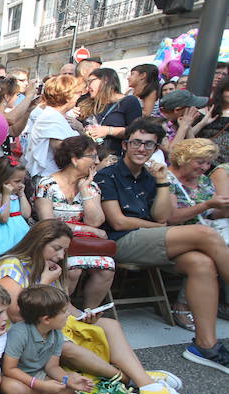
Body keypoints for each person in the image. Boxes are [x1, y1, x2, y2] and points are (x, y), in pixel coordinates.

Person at [0, 219, 215, 394]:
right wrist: (45, 282)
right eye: (56, 248)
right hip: (17, 333)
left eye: (64, 250)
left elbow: (64, 307)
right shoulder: (12, 265)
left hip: (45, 326)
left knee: (108, 324)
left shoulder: (50, 267)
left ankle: (143, 382)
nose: (60, 255)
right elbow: (16, 313)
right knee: (65, 346)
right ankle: (138, 381)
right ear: (39, 243)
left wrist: (83, 316)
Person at [96, 119, 229, 372]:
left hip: (152, 239)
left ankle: (205, 345)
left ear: (155, 147)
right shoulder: (108, 174)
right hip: (121, 241)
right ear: (125, 145)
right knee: (205, 234)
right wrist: (164, 229)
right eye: (136, 142)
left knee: (202, 263)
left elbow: (161, 217)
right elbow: (119, 221)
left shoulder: (152, 175)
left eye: (148, 144)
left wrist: (162, 182)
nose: (141, 149)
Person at [35, 136, 114, 308]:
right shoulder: (47, 185)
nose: (97, 161)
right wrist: (89, 230)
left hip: (82, 243)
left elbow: (95, 221)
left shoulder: (91, 186)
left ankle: (89, 313)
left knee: (107, 267)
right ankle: (60, 310)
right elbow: (48, 222)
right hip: (54, 240)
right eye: (92, 157)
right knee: (73, 268)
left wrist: (85, 190)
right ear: (75, 159)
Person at [1, 285, 94, 394]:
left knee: (74, 382)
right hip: (16, 377)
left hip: (40, 375)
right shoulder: (19, 333)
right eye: (63, 311)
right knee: (12, 388)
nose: (68, 314)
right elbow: (9, 369)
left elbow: (52, 367)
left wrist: (68, 380)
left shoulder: (56, 333)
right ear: (46, 319)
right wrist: (40, 385)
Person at [165, 138, 229, 329]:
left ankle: (221, 304)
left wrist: (222, 208)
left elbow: (212, 214)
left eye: (208, 163)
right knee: (206, 252)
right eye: (200, 161)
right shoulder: (166, 179)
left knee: (211, 245)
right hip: (174, 234)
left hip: (204, 232)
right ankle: (183, 306)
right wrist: (207, 204)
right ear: (184, 158)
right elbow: (172, 217)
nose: (204, 167)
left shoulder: (202, 181)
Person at [22, 75, 83, 181]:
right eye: (78, 93)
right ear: (68, 96)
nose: (80, 96)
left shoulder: (57, 116)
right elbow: (62, 150)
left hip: (61, 178)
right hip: (51, 179)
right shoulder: (49, 117)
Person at [81, 68, 142, 156]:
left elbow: (137, 132)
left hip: (116, 158)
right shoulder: (89, 104)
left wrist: (108, 130)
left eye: (90, 81)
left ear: (105, 81)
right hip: (92, 157)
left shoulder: (129, 101)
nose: (88, 87)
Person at [189, 76, 229, 166]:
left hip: (225, 165)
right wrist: (202, 124)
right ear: (221, 91)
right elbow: (187, 136)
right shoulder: (205, 111)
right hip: (202, 160)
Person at [157, 89, 209, 158]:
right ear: (177, 110)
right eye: (192, 107)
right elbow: (171, 153)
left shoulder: (175, 120)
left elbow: (193, 148)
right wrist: (184, 125)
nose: (196, 110)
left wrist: (201, 123)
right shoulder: (157, 123)